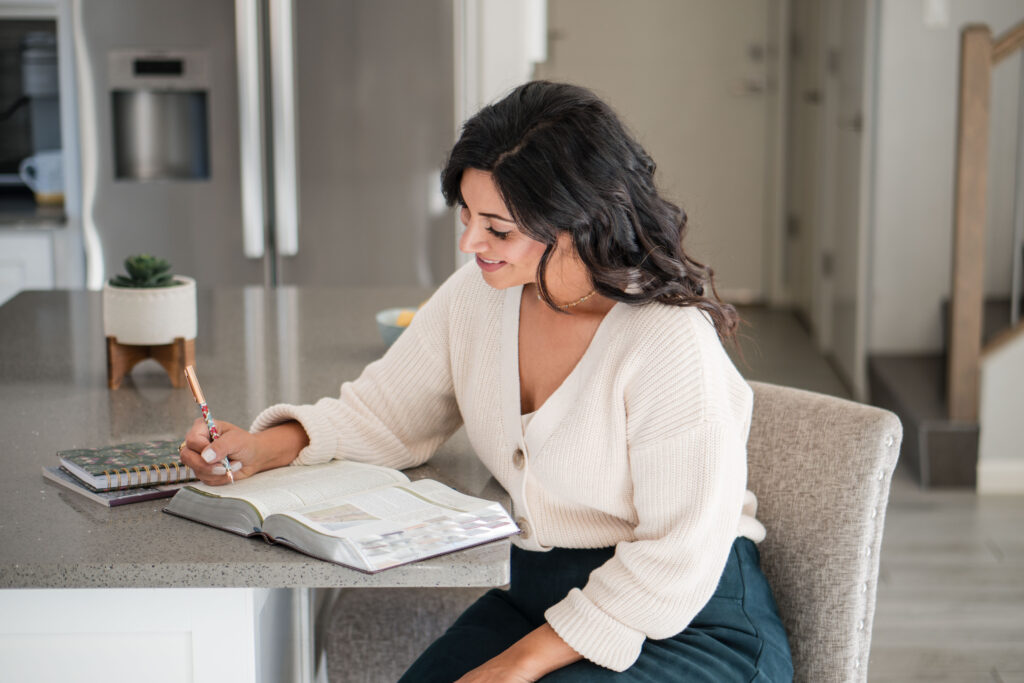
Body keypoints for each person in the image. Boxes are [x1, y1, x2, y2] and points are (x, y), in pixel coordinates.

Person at [179, 81, 793, 682]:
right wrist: (265, 447)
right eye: (467, 216)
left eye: (498, 229)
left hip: (687, 622)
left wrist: (514, 665)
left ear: (577, 219)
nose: (471, 242)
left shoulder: (666, 341)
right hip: (540, 604)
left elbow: (677, 560)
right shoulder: (480, 295)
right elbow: (387, 415)